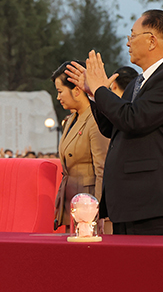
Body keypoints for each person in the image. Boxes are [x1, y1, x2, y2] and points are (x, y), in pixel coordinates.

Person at [66, 9, 163, 235]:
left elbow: (133, 119)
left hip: (153, 203)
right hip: (128, 204)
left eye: (132, 36)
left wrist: (99, 89)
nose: (128, 43)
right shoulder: (138, 82)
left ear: (152, 41)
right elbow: (111, 127)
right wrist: (94, 95)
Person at [51, 61, 109, 231]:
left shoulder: (96, 121)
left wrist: (98, 212)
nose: (58, 97)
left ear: (77, 90)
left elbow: (102, 170)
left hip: (89, 206)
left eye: (60, 91)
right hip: (73, 204)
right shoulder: (70, 120)